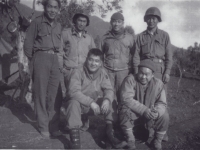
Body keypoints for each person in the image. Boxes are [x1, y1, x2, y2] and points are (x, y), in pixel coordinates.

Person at [62, 48, 127, 149]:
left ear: (101, 63)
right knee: (73, 102)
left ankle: (110, 135)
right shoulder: (78, 71)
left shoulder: (102, 72)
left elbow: (109, 89)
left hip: (92, 107)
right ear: (86, 59)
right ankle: (75, 143)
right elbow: (73, 92)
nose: (93, 63)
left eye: (97, 61)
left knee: (111, 101)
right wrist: (91, 102)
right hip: (78, 106)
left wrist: (106, 100)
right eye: (91, 60)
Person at [24, 0, 63, 138]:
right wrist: (34, 60)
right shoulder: (37, 22)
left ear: (58, 9)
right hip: (40, 57)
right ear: (45, 7)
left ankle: (53, 126)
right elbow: (28, 44)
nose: (52, 10)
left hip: (55, 59)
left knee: (55, 94)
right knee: (40, 93)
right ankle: (43, 126)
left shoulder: (58, 25)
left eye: (55, 7)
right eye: (50, 6)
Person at [119, 59, 169, 150]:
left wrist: (156, 112)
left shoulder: (158, 84)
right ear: (137, 72)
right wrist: (144, 110)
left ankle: (157, 141)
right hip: (135, 114)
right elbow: (126, 99)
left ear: (152, 75)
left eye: (147, 74)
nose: (143, 77)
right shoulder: (130, 80)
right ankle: (130, 140)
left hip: (150, 115)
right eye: (141, 73)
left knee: (164, 115)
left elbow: (162, 103)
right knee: (124, 110)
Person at [100, 12, 134, 129]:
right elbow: (100, 55)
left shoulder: (129, 38)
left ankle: (123, 122)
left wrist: (133, 71)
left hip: (123, 72)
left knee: (123, 97)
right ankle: (110, 122)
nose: (116, 24)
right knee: (109, 96)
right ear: (111, 22)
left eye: (119, 21)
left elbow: (134, 55)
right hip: (108, 71)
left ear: (123, 23)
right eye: (114, 21)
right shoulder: (105, 38)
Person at [133, 7, 173, 86]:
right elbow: (136, 56)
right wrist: (136, 72)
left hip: (159, 71)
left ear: (158, 20)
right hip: (144, 70)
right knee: (142, 95)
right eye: (149, 18)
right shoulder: (140, 37)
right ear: (146, 20)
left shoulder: (164, 36)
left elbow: (169, 56)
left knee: (159, 94)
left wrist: (167, 72)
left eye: (154, 18)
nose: (151, 21)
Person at [62, 12, 96, 90]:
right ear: (75, 21)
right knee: (69, 94)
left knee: (82, 94)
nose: (81, 23)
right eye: (79, 20)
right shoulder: (66, 34)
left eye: (84, 21)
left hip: (84, 71)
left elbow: (94, 55)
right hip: (69, 70)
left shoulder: (89, 38)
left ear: (87, 23)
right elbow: (59, 51)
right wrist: (62, 68)